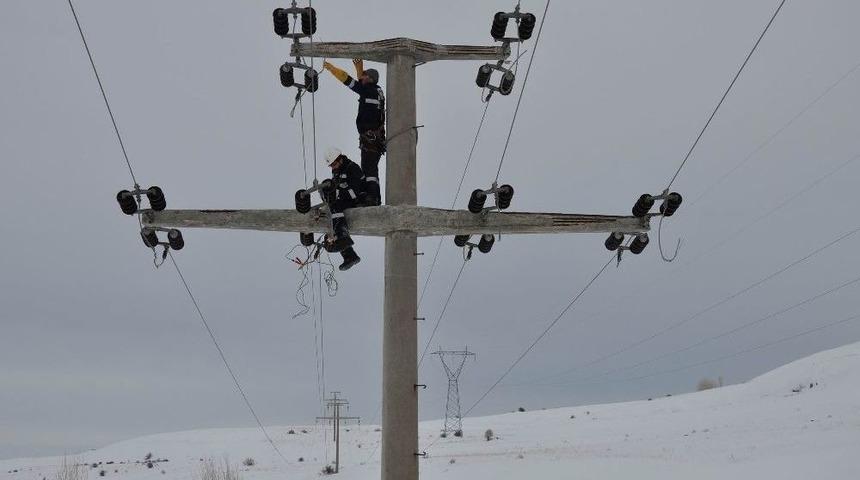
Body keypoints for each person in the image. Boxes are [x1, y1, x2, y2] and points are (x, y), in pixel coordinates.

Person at [322, 58, 385, 206]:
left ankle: (373, 198)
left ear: (369, 79)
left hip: (370, 140)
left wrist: (332, 69)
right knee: (370, 169)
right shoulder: (376, 91)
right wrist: (359, 69)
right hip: (374, 139)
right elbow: (362, 83)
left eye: (364, 76)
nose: (361, 78)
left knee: (369, 171)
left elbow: (350, 82)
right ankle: (370, 197)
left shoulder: (368, 90)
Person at [324, 147, 363, 271]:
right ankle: (350, 255)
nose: (333, 168)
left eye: (334, 164)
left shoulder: (352, 168)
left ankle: (342, 235)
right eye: (331, 166)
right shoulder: (337, 172)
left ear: (340, 159)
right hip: (344, 200)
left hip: (358, 200)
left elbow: (355, 191)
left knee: (335, 208)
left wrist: (338, 191)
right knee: (331, 211)